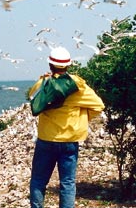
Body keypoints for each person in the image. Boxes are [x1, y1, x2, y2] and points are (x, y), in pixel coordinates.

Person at [28, 46, 105, 208]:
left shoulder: (42, 84)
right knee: (67, 183)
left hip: (46, 140)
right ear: (68, 65)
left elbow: (32, 99)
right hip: (69, 142)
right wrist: (82, 118)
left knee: (38, 181)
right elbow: (99, 106)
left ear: (50, 65)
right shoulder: (78, 87)